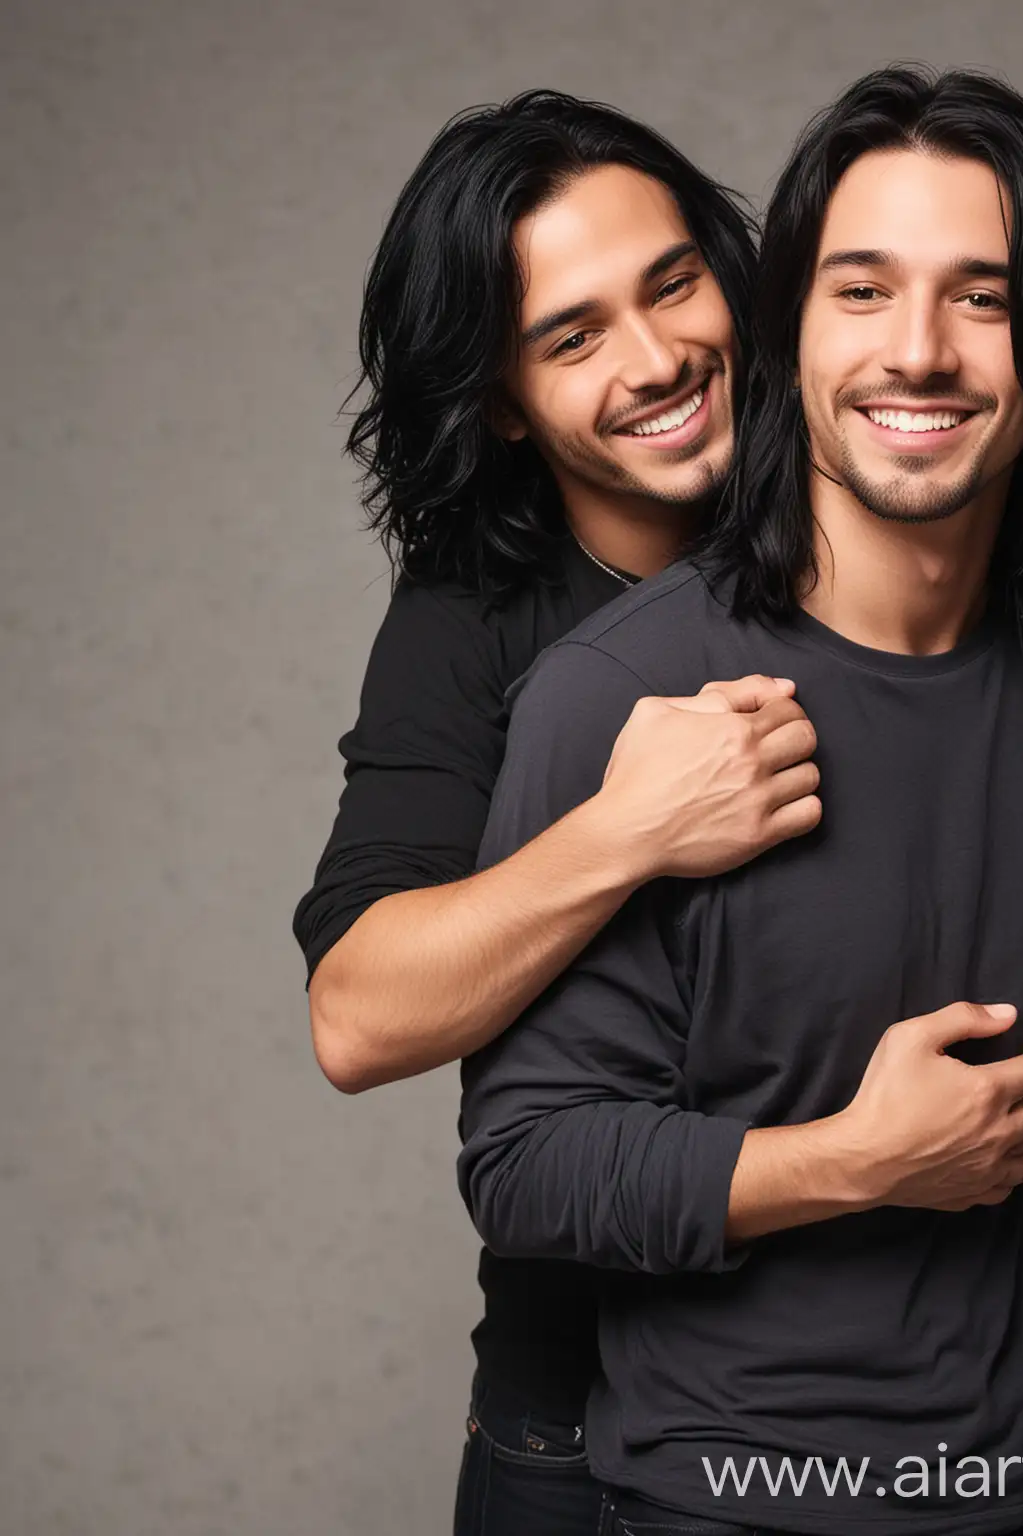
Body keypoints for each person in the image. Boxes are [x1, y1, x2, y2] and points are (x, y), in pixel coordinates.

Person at [458, 66, 1023, 1536]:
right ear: (786, 329)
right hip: (738, 1499)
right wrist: (860, 1161)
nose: (921, 352)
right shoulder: (623, 704)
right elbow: (527, 1168)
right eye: (863, 290)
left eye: (985, 297)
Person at [291, 92, 821, 1536]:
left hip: (893, 1397)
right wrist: (631, 829)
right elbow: (358, 1018)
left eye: (674, 284)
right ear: (499, 403)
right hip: (578, 1425)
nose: (658, 361)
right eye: (572, 336)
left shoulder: (872, 521)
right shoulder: (475, 616)